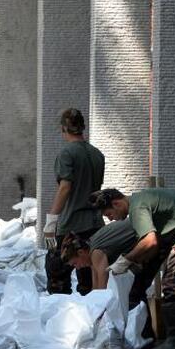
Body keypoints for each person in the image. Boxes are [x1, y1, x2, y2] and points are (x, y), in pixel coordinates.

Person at [88, 188, 175, 349]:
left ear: (117, 203)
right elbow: (152, 250)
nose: (110, 219)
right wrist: (135, 266)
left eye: (109, 214)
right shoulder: (140, 202)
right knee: (164, 282)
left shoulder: (137, 207)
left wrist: (126, 259)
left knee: (173, 284)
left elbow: (150, 242)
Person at [43, 108, 105, 296]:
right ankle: (89, 317)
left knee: (57, 273)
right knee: (88, 275)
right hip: (95, 224)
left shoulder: (67, 154)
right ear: (82, 127)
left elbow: (65, 187)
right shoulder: (97, 154)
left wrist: (51, 221)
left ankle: (61, 318)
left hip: (71, 224)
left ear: (64, 129)